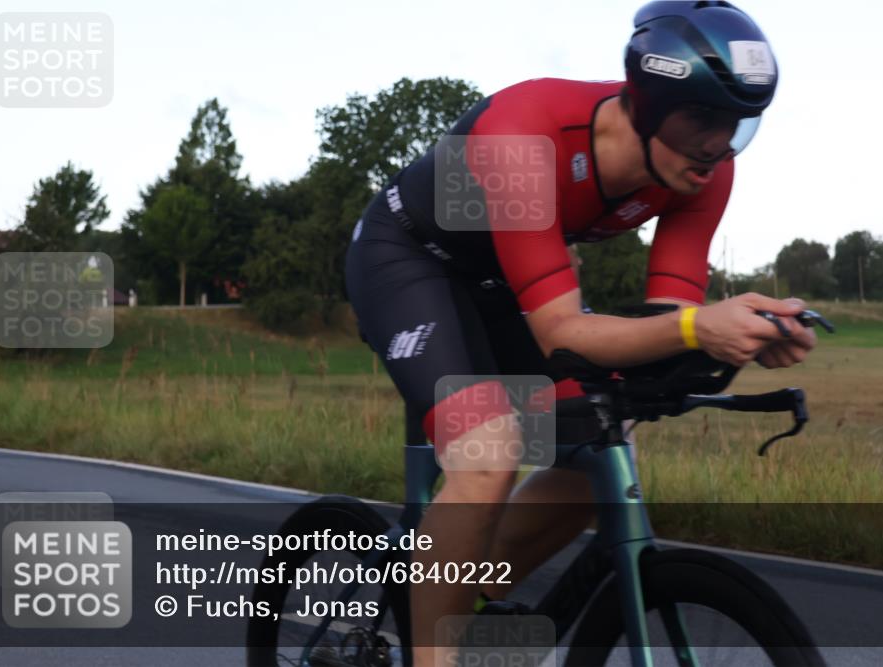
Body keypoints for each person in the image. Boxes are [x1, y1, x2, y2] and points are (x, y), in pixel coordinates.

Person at [343, 2, 816, 664]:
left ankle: (461, 601)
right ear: (646, 103)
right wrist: (696, 326)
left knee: (599, 447)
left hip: (503, 281)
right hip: (411, 260)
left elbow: (664, 328)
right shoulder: (523, 134)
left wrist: (741, 337)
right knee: (488, 452)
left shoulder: (700, 172)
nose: (717, 143)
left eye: (738, 123)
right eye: (701, 118)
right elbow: (566, 328)